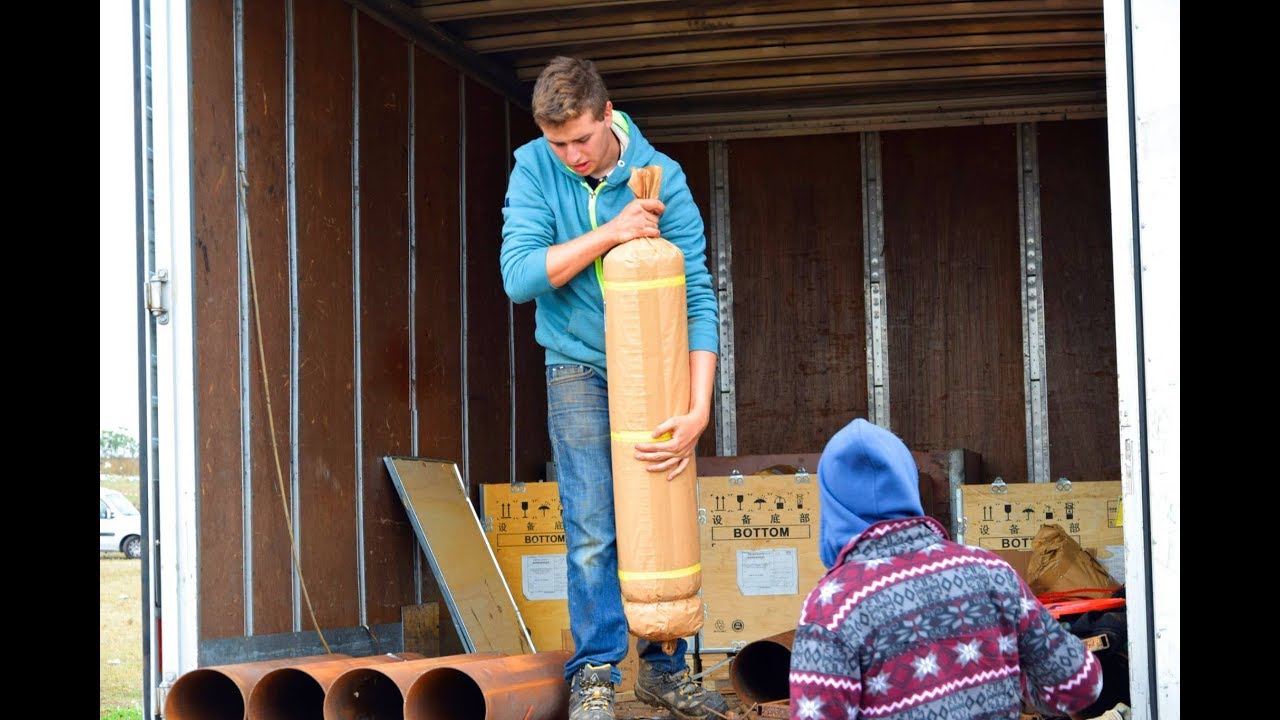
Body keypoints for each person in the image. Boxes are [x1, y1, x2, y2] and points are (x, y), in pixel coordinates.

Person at [499, 56, 728, 720]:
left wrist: (698, 405)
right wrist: (612, 233)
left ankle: (663, 668)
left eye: (581, 139)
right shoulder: (533, 169)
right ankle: (596, 671)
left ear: (608, 115)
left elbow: (700, 298)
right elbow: (519, 277)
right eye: (557, 142)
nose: (570, 155)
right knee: (594, 522)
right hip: (577, 365)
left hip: (655, 366)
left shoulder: (663, 176)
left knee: (659, 510)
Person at [789, 418, 1103, 720]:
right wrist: (1012, 681)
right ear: (907, 481)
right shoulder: (989, 569)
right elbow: (1080, 686)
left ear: (830, 502)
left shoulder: (833, 606)